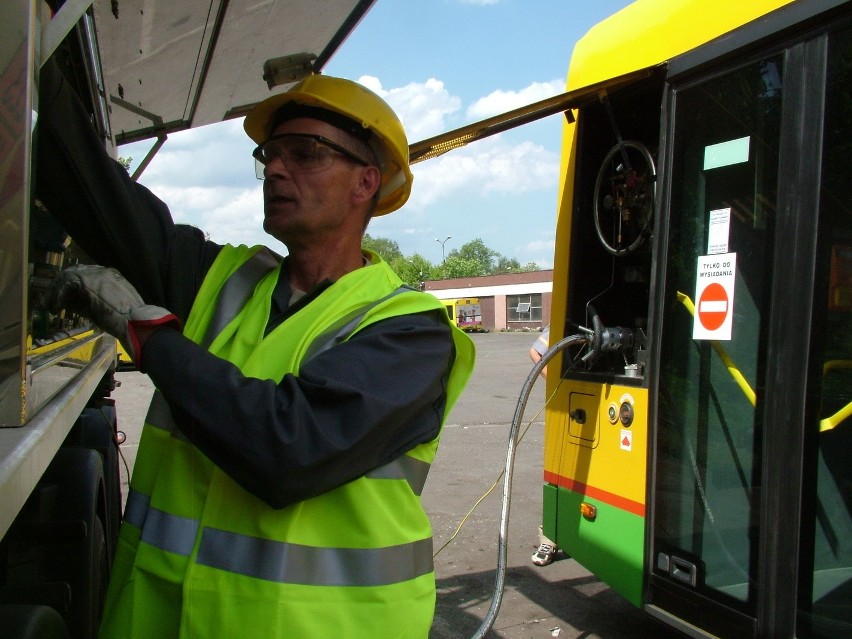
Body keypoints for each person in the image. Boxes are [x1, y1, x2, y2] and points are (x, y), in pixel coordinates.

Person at [37, 58, 475, 638]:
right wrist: (32, 55)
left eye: (306, 153)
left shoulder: (410, 333)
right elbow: (96, 194)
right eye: (269, 154)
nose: (275, 168)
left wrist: (147, 336)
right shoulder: (220, 279)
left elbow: (285, 448)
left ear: (366, 182)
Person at [528, 326, 560, 567]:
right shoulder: (564, 318)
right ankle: (549, 537)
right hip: (569, 407)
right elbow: (535, 352)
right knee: (560, 474)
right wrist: (559, 383)